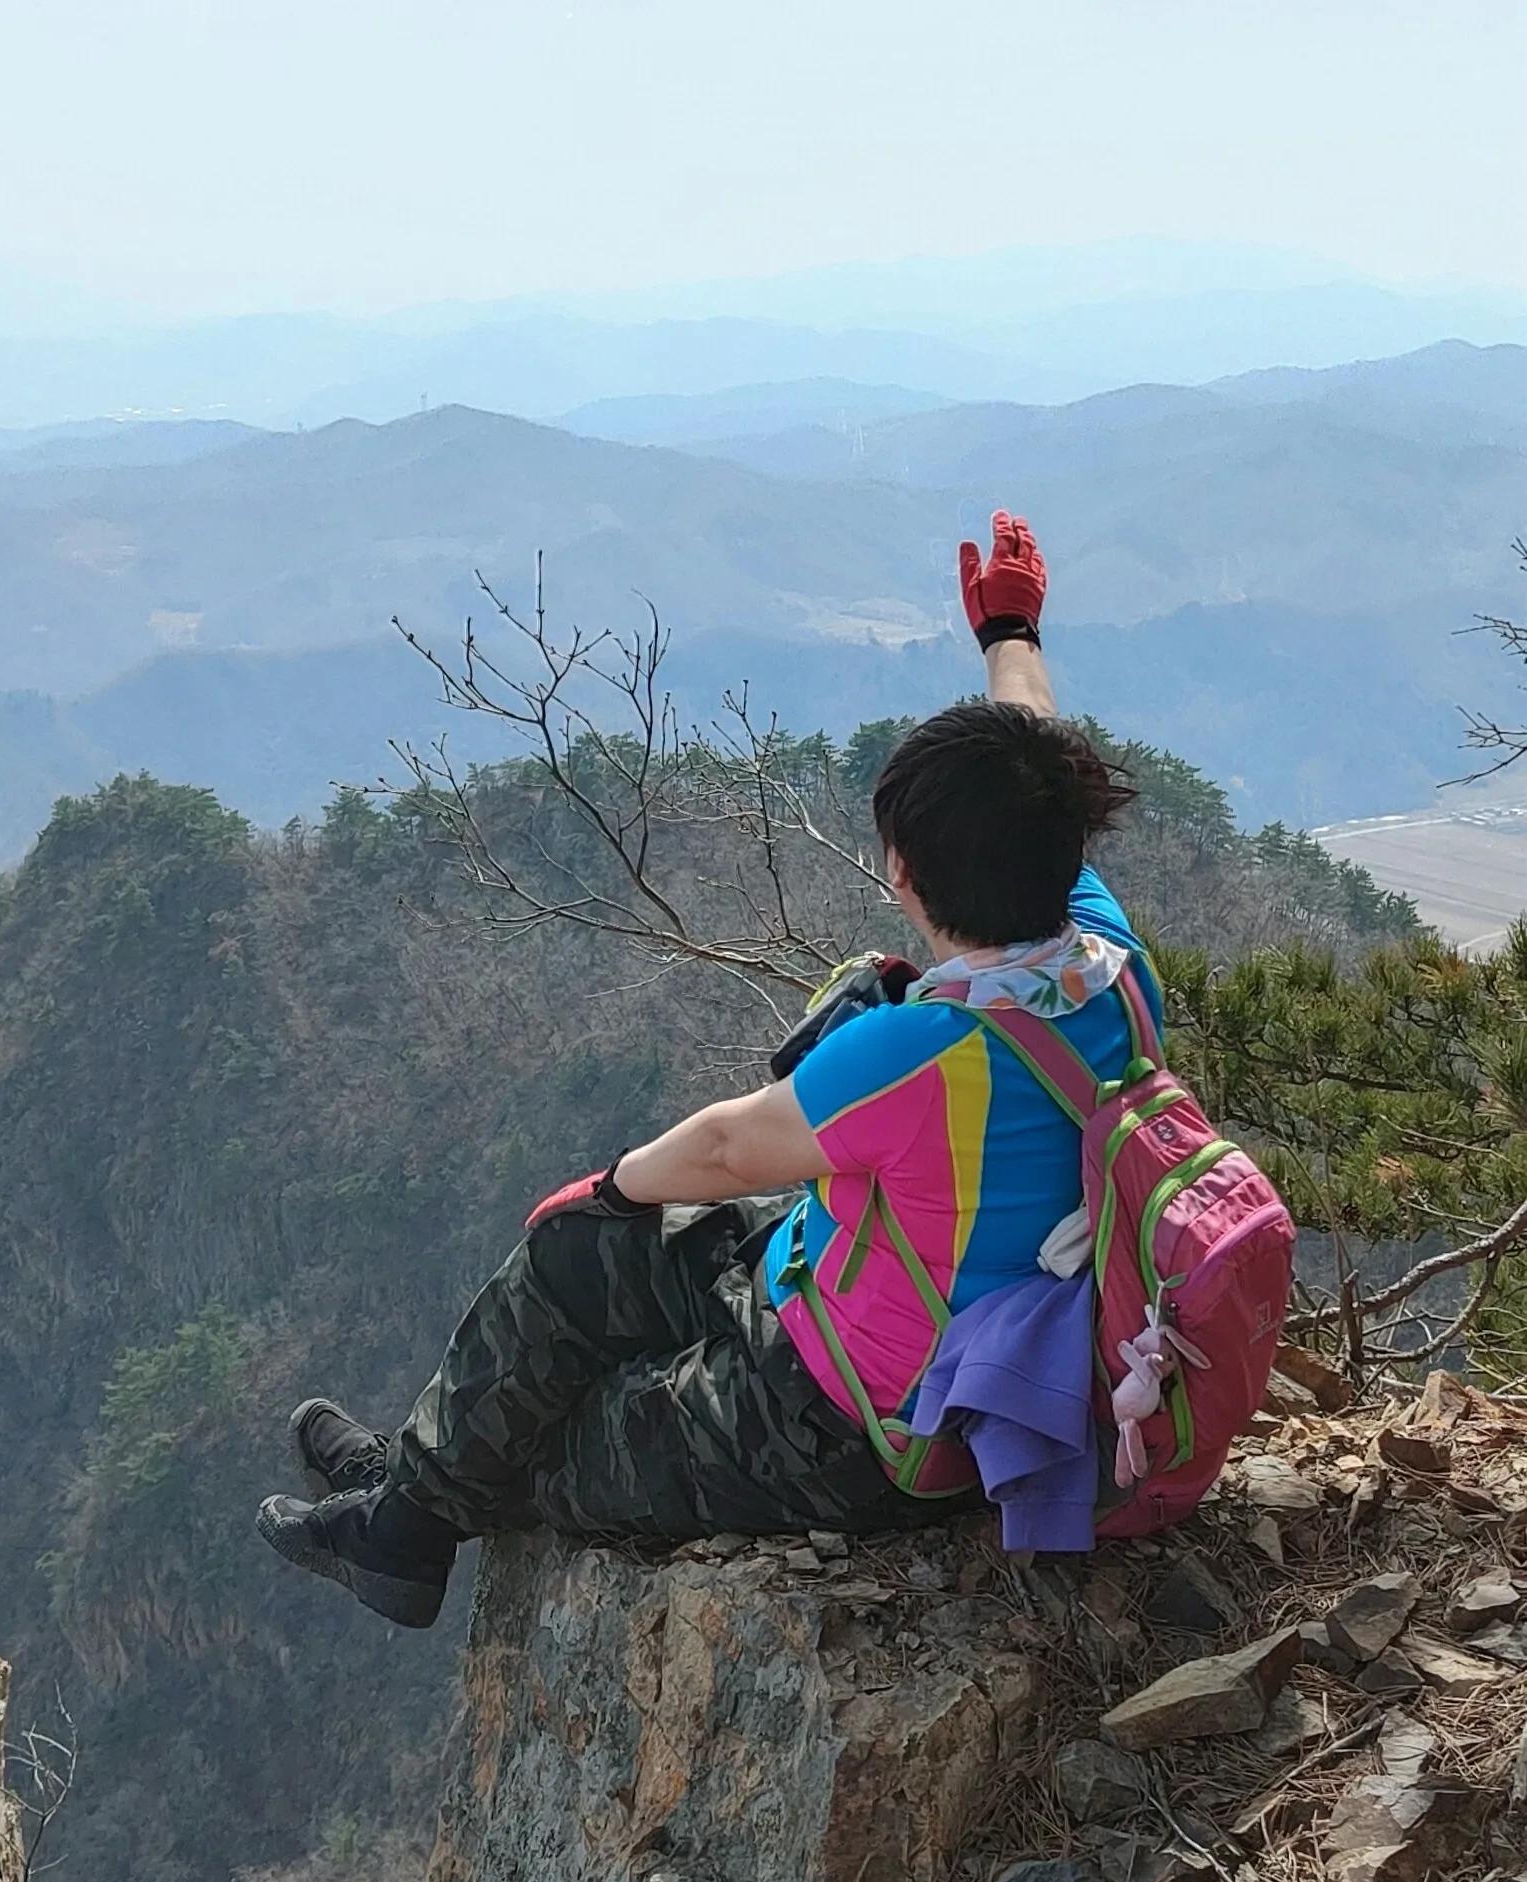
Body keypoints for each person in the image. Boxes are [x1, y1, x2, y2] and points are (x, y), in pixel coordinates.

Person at [258, 511, 1162, 1627]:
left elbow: (730, 1146)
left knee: (564, 1432)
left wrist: (610, 1189)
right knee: (566, 1268)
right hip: (836, 1309)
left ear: (908, 877)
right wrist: (1009, 633)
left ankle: (400, 1523)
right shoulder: (1103, 961)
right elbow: (1038, 758)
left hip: (856, 1432)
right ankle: (401, 1505)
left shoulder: (926, 1052)